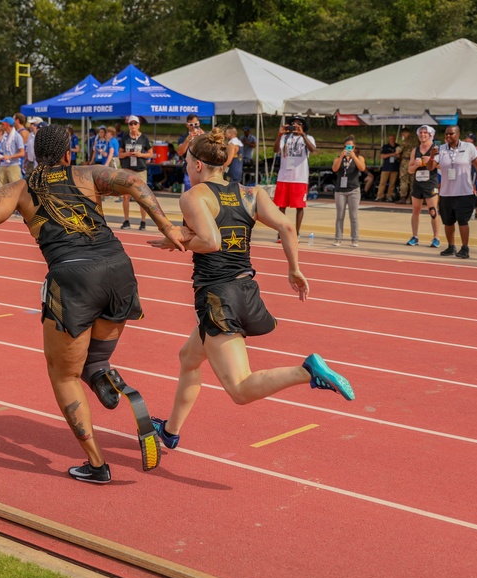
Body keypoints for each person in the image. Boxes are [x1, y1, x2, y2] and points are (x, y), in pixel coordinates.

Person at [0, 123, 187, 484]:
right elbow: (137, 184)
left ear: (33, 154)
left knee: (63, 374)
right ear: (67, 153)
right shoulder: (88, 174)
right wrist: (168, 228)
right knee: (95, 360)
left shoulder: (20, 190)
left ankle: (96, 465)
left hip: (74, 280)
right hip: (119, 271)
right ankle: (114, 383)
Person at [146, 128, 354, 452]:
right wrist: (294, 269)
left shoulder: (194, 196)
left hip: (217, 295)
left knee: (240, 389)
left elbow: (210, 241)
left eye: (187, 161)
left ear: (199, 165)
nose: (185, 166)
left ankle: (307, 370)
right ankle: (170, 432)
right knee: (188, 358)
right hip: (245, 288)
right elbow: (286, 226)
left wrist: (176, 241)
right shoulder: (251, 193)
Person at [429, 125, 477, 259]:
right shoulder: (440, 149)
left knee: (463, 221)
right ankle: (451, 246)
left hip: (464, 192)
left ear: (458, 134)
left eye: (451, 134)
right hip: (446, 193)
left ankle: (465, 248)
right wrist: (432, 157)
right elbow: (430, 167)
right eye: (446, 135)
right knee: (448, 222)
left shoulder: (468, 147)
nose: (448, 137)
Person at [272, 116, 315, 240]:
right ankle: (281, 232)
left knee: (299, 206)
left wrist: (303, 135)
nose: (295, 125)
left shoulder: (308, 138)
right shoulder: (285, 137)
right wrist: (280, 134)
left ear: (303, 127)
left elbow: (313, 149)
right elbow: (276, 150)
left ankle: (297, 233)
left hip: (299, 177)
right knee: (281, 206)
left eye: (299, 124)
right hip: (284, 177)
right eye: (293, 123)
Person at [406, 125, 440, 248]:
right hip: (418, 182)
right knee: (416, 210)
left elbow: (444, 166)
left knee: (432, 210)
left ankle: (436, 237)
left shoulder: (436, 148)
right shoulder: (415, 150)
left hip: (430, 182)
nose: (423, 135)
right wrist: (415, 165)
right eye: (421, 133)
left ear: (430, 134)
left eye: (425, 133)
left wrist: (430, 161)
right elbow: (409, 170)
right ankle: (415, 236)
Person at [118, 115, 154, 230]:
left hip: (140, 170)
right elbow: (119, 154)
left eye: (135, 123)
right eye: (130, 124)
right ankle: (126, 220)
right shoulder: (125, 138)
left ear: (138, 125)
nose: (133, 126)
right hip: (127, 169)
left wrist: (140, 155)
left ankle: (143, 221)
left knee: (142, 196)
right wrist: (127, 154)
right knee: (125, 196)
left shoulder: (144, 138)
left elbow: (150, 154)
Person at [331, 135, 367, 247]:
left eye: (351, 147)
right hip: (340, 190)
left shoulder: (359, 158)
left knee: (353, 215)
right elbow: (335, 169)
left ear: (354, 147)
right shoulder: (338, 158)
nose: (348, 149)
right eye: (347, 147)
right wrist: (342, 157)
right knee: (340, 215)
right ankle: (338, 238)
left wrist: (353, 157)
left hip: (353, 190)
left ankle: (355, 239)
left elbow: (362, 168)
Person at [175, 114, 206, 191]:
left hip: (204, 168)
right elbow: (180, 152)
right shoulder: (183, 137)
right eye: (191, 124)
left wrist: (204, 135)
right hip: (190, 169)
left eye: (196, 124)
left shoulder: (205, 135)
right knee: (190, 191)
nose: (193, 126)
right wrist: (188, 139)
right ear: (187, 125)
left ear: (199, 123)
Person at [0, 116, 25, 188]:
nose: (1, 126)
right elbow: (2, 153)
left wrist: (10, 157)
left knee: (15, 187)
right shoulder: (4, 137)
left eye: (3, 124)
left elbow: (22, 153)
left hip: (13, 164)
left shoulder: (17, 136)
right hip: (3, 164)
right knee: (0, 187)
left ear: (8, 125)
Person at [377, 133, 399, 202]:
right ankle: (380, 196)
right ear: (389, 139)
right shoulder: (385, 146)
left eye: (393, 139)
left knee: (392, 183)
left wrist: (398, 156)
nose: (392, 140)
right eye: (390, 139)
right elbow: (382, 156)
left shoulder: (398, 147)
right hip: (386, 167)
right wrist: (392, 154)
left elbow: (400, 156)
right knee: (382, 182)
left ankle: (389, 196)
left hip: (395, 167)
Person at [396, 127, 416, 204]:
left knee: (403, 179)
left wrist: (398, 155)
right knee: (412, 181)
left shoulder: (405, 141)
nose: (403, 135)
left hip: (406, 161)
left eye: (403, 134)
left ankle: (403, 197)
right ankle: (411, 198)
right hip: (414, 162)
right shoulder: (416, 141)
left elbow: (398, 151)